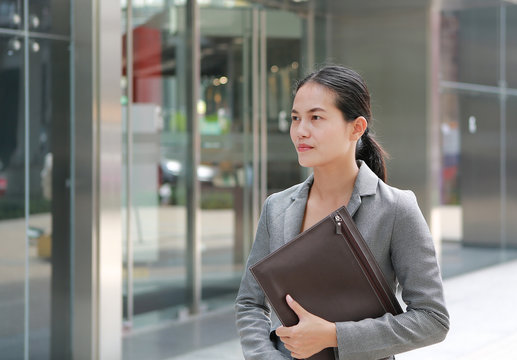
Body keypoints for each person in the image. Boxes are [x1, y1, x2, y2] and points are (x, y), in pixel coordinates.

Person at [234, 65, 449, 360]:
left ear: (356, 127)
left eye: (316, 118)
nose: (301, 131)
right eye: (296, 118)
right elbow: (250, 303)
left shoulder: (396, 208)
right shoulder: (277, 207)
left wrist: (334, 335)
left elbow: (432, 319)